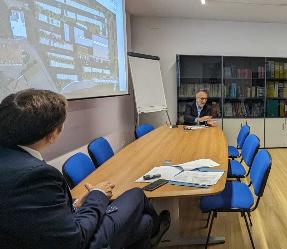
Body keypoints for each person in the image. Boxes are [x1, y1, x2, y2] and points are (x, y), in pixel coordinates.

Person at [0, 89, 169, 249]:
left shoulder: (10, 160)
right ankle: (155, 230)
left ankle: (152, 229)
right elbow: (75, 238)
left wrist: (75, 205)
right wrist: (98, 195)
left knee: (143, 222)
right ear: (52, 135)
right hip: (79, 241)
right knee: (137, 194)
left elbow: (35, 213)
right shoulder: (36, 175)